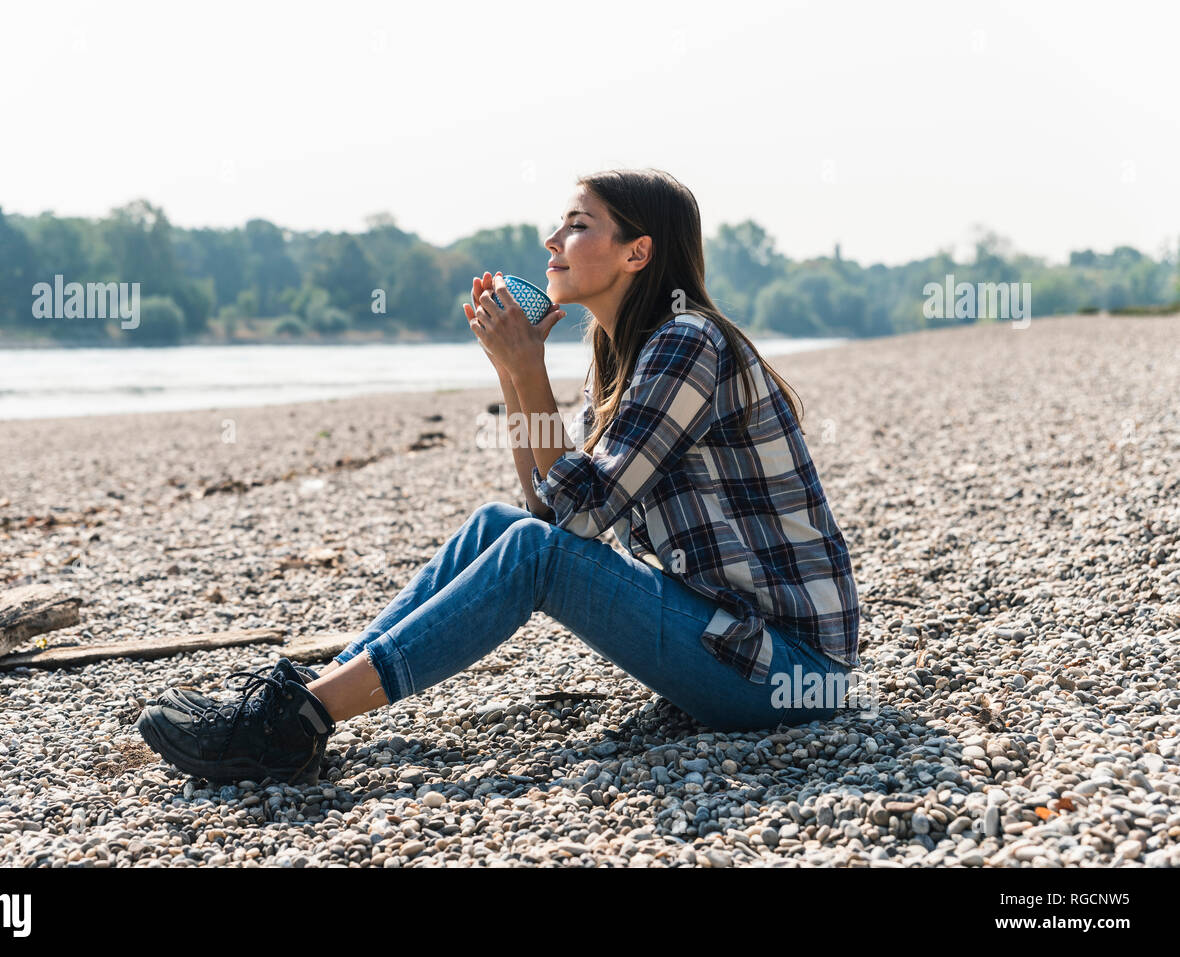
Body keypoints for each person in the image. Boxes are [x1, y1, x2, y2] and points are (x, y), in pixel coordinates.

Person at [135, 168, 862, 785]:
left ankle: (294, 724)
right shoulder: (624, 358)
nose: (553, 240)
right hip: (723, 635)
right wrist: (514, 376)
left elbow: (571, 528)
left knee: (531, 550)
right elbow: (545, 512)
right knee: (498, 526)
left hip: (783, 667)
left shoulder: (686, 342)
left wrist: (526, 368)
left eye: (578, 225)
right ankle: (300, 697)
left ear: (638, 252)